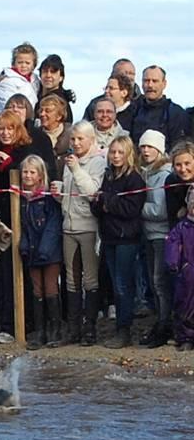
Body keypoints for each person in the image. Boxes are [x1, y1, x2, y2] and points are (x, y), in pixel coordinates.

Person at [0, 110, 37, 343]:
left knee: (17, 273)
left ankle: (22, 324)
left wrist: (9, 165)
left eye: (10, 128)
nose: (5, 133)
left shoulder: (25, 152)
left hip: (18, 220)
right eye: (1, 128)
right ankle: (4, 323)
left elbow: (29, 178)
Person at [51, 120, 106, 345]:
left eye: (80, 139)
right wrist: (59, 193)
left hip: (89, 227)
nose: (75, 143)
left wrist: (76, 169)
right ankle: (73, 329)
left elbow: (92, 192)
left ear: (91, 140)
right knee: (71, 280)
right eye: (73, 139)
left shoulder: (99, 163)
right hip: (69, 225)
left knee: (90, 280)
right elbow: (72, 195)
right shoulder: (68, 162)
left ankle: (90, 328)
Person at [90, 135, 146, 348]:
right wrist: (101, 202)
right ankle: (121, 329)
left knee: (123, 285)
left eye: (120, 152)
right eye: (113, 152)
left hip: (126, 238)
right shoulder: (109, 176)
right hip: (109, 236)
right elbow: (99, 206)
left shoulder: (134, 179)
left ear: (128, 154)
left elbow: (131, 210)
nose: (115, 156)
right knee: (116, 284)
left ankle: (125, 330)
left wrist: (108, 202)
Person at [19, 154, 63, 349]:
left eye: (32, 172)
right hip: (32, 250)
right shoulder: (21, 199)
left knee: (51, 287)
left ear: (40, 175)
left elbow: (54, 224)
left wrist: (45, 248)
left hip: (49, 250)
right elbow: (23, 226)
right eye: (25, 172)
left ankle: (55, 329)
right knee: (37, 289)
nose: (27, 175)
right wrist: (24, 245)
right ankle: (40, 330)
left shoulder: (47, 198)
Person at [138, 130, 173, 348]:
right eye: (142, 147)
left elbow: (160, 210)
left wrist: (134, 206)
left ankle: (164, 324)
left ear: (159, 149)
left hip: (161, 234)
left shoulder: (164, 175)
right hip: (149, 233)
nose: (146, 150)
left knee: (160, 282)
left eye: (150, 147)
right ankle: (160, 322)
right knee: (154, 282)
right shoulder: (148, 173)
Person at [129, 65, 191, 149]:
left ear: (164, 84)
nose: (150, 85)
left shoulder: (176, 113)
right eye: (146, 81)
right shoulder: (133, 110)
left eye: (155, 81)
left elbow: (179, 147)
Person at [165, 189, 194, 351]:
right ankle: (186, 337)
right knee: (185, 305)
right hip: (188, 272)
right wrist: (173, 263)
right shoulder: (182, 227)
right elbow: (172, 244)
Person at [0, 41, 41, 118]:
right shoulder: (7, 81)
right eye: (20, 62)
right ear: (14, 63)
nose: (23, 65)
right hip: (9, 121)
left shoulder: (36, 80)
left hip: (28, 121)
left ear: (34, 65)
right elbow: (8, 105)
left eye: (27, 63)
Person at [38, 94, 72, 180]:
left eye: (47, 111)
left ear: (59, 116)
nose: (42, 114)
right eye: (41, 110)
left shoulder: (72, 134)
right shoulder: (35, 136)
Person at [35, 54, 75, 123]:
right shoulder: (35, 93)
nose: (48, 75)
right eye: (45, 71)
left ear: (61, 77)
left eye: (53, 72)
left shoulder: (61, 101)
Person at [165, 141, 194, 228]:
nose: (183, 169)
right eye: (178, 165)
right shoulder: (171, 181)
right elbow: (173, 216)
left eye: (187, 163)